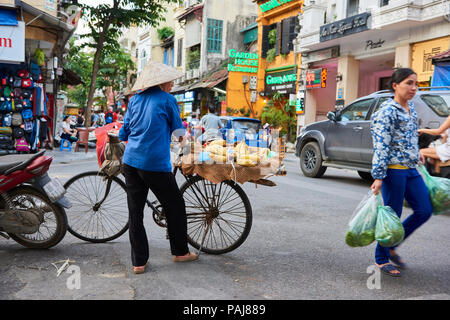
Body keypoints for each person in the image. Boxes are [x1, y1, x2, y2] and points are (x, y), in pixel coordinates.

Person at [118, 60, 198, 275]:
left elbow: (123, 134)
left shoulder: (134, 101)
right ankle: (180, 252)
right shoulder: (167, 100)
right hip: (154, 163)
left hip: (131, 162)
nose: (172, 84)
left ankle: (138, 262)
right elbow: (179, 132)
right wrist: (188, 149)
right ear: (162, 83)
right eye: (170, 81)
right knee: (175, 206)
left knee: (135, 213)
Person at [370, 68, 432, 277]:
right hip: (393, 172)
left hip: (411, 169)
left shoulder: (410, 108)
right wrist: (378, 176)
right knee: (392, 217)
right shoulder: (387, 111)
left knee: (424, 210)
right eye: (409, 83)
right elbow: (381, 145)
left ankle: (393, 244)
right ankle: (381, 258)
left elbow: (411, 134)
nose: (414, 88)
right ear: (395, 85)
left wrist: (416, 153)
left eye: (416, 83)